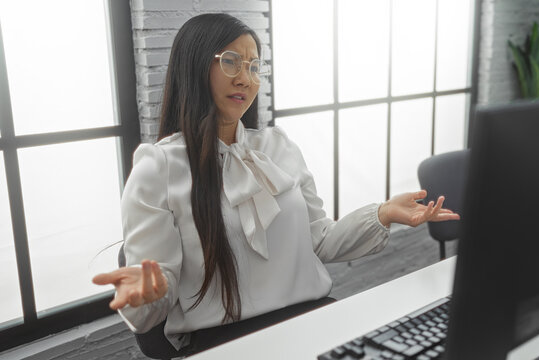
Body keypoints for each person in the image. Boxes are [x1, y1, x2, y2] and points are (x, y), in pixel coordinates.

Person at [92, 13, 459, 355]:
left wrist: (382, 213)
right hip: (224, 343)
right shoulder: (158, 167)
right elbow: (154, 297)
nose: (246, 79)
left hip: (315, 320)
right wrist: (143, 297)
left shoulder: (277, 147)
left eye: (254, 66)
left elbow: (320, 241)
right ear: (194, 67)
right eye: (231, 62)